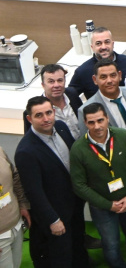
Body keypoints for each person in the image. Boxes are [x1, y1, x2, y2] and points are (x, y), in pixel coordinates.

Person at [70, 103, 126, 268]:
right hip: (102, 207)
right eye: (91, 122)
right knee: (111, 245)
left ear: (107, 119)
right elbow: (79, 185)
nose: (97, 126)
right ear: (85, 123)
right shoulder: (78, 149)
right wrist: (108, 205)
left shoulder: (123, 136)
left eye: (100, 120)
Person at [17, 97, 90, 268]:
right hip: (55, 214)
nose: (46, 119)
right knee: (60, 256)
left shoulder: (62, 128)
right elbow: (34, 192)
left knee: (78, 247)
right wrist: (53, 220)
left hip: (75, 205)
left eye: (49, 113)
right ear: (30, 119)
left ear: (54, 112)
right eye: (39, 115)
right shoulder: (26, 151)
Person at [79, 60, 126, 133]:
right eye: (103, 77)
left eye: (113, 75)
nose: (109, 81)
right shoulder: (84, 110)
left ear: (120, 75)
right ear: (95, 80)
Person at [69, 27, 126, 99]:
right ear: (92, 47)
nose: (103, 47)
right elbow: (69, 95)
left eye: (107, 42)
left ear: (112, 44)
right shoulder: (82, 72)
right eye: (98, 43)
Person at [38, 64, 83, 139]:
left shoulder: (72, 94)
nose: (56, 85)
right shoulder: (37, 108)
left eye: (60, 80)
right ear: (43, 85)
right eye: (51, 81)